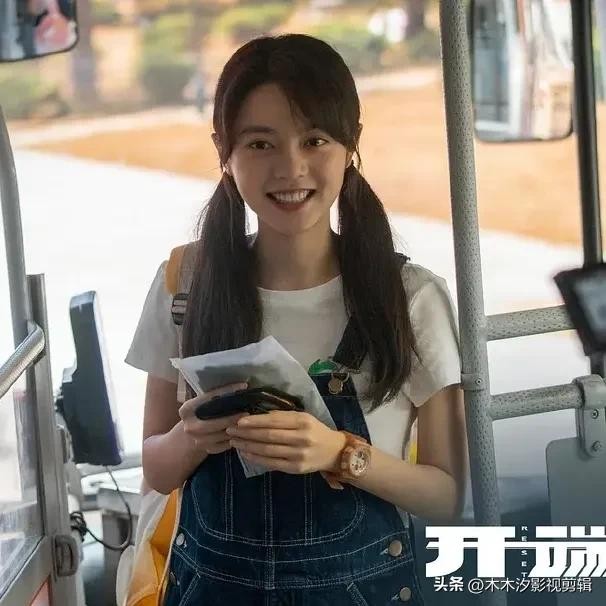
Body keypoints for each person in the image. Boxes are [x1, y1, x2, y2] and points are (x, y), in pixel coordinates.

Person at [125, 33, 467, 605]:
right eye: (260, 143)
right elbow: (157, 470)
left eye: (315, 139)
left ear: (350, 144)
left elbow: (447, 495)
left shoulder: (409, 297)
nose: (290, 167)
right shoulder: (184, 284)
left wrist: (339, 454)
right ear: (224, 151)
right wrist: (193, 436)